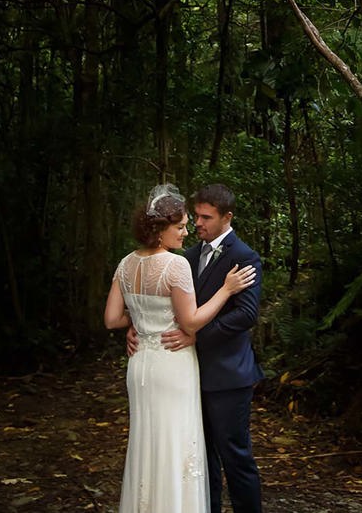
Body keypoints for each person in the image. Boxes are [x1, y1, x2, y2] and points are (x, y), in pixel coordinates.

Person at [104, 184, 256, 513]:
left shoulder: (244, 256)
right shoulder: (180, 259)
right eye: (187, 222)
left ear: (226, 217)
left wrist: (146, 323)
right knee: (183, 447)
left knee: (226, 457)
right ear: (160, 228)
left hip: (210, 371)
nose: (193, 227)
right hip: (176, 368)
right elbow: (180, 316)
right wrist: (141, 324)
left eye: (202, 218)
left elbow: (247, 314)